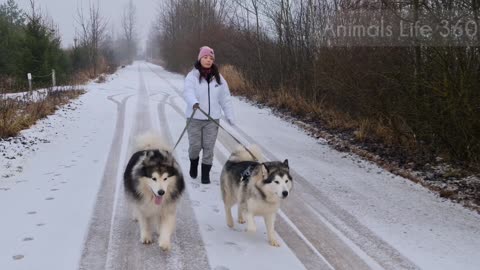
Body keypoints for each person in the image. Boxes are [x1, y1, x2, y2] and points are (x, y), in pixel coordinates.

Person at [183, 46, 235, 184]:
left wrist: (229, 115)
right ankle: (193, 165)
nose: (208, 60)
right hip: (194, 118)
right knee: (195, 147)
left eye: (211, 58)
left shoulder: (219, 78)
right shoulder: (192, 76)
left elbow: (225, 98)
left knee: (208, 148)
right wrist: (193, 102)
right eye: (205, 57)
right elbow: (188, 91)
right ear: (200, 58)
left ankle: (205, 175)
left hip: (212, 120)